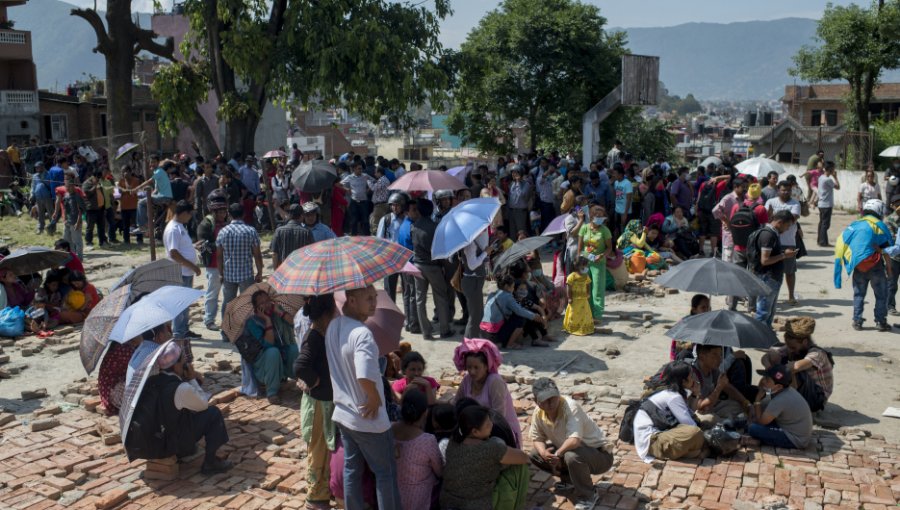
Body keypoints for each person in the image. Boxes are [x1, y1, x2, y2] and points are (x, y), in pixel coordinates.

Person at [325, 285, 401, 509]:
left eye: (374, 297)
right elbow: (364, 373)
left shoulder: (334, 326)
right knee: (385, 473)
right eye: (368, 298)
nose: (374, 303)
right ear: (351, 300)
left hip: (345, 414)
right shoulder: (362, 333)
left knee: (352, 470)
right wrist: (375, 397)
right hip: (369, 418)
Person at [140, 342, 233, 474]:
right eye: (184, 362)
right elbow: (203, 404)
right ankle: (210, 463)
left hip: (154, 441)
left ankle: (183, 450)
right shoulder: (180, 388)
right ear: (177, 365)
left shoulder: (152, 381)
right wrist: (192, 378)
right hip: (171, 443)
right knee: (213, 414)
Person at [529, 378, 613, 509]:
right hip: (570, 450)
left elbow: (574, 440)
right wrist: (544, 453)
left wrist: (557, 454)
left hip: (600, 456)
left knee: (571, 456)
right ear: (537, 402)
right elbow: (537, 437)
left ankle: (589, 495)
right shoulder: (538, 412)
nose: (551, 403)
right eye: (546, 399)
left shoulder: (570, 406)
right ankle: (569, 480)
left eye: (553, 397)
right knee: (535, 454)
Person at [293, 294, 338, 510]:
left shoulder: (323, 333)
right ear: (328, 313)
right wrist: (315, 381)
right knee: (318, 449)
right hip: (319, 404)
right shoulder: (313, 337)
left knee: (326, 447)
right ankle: (315, 497)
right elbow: (300, 366)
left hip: (326, 402)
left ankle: (324, 489)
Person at [440, 405, 530, 510]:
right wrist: (499, 443)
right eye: (487, 424)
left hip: (447, 502)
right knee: (520, 468)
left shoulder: (454, 440)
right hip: (476, 505)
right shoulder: (492, 447)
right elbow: (523, 457)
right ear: (475, 431)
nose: (492, 425)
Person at [452, 338, 522, 447]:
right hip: (475, 431)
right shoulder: (467, 380)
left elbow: (498, 417)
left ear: (486, 366)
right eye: (469, 367)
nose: (472, 371)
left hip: (497, 432)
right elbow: (456, 403)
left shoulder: (495, 382)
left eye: (476, 367)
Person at [633, 361, 706, 463]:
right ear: (683, 381)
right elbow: (690, 425)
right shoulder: (673, 396)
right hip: (652, 442)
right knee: (696, 433)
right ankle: (693, 451)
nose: (693, 379)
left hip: (661, 434)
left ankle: (692, 452)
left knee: (705, 423)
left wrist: (695, 394)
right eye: (691, 376)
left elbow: (689, 413)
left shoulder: (672, 392)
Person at [837, 199, 893, 331]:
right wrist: (889, 270)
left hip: (858, 266)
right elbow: (886, 251)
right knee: (881, 295)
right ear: (879, 211)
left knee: (858, 294)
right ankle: (880, 322)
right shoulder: (879, 226)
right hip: (876, 266)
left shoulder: (856, 224)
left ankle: (857, 321)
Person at [761, 316, 833, 410]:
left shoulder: (817, 353)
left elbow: (796, 366)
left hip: (816, 398)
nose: (790, 350)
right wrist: (769, 367)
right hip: (803, 392)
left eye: (793, 347)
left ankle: (784, 402)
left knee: (793, 371)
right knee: (774, 358)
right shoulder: (792, 348)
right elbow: (766, 357)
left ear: (805, 342)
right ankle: (775, 397)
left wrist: (776, 373)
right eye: (788, 347)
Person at [242, 291, 299, 404]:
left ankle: (301, 379)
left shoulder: (276, 314)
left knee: (293, 349)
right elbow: (268, 344)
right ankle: (272, 392)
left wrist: (279, 312)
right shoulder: (252, 322)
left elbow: (294, 323)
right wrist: (267, 320)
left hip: (280, 355)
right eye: (262, 303)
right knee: (273, 351)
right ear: (256, 307)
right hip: (262, 361)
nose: (266, 304)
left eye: (268, 301)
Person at [410, 198, 453, 340]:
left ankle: (426, 332)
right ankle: (444, 329)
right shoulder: (435, 227)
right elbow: (439, 249)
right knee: (441, 296)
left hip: (418, 265)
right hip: (433, 266)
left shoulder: (414, 226)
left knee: (420, 298)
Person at [391, 390, 443, 510]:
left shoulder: (389, 429)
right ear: (425, 412)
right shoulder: (427, 440)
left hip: (393, 491)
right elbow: (439, 471)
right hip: (419, 496)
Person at [216, 203, 264, 329]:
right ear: (243, 214)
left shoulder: (223, 232)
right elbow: (257, 254)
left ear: (229, 215)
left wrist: (220, 273)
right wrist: (260, 272)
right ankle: (247, 332)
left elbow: (219, 255)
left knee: (228, 304)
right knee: (247, 303)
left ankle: (227, 332)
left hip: (228, 275)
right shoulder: (250, 231)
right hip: (246, 274)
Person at [748, 365, 813, 450]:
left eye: (767, 380)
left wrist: (757, 399)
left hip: (796, 439)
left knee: (753, 429)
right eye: (764, 377)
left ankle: (760, 439)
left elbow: (761, 422)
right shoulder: (786, 390)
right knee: (757, 416)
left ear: (778, 386)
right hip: (793, 430)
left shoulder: (780, 400)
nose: (763, 381)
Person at [164, 200, 202, 340]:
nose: (190, 217)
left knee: (184, 302)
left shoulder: (180, 226)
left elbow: (180, 247)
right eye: (190, 214)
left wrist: (193, 246)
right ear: (184, 213)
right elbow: (174, 252)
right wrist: (192, 266)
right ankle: (178, 333)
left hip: (185, 272)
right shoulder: (173, 229)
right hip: (180, 272)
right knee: (179, 303)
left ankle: (184, 330)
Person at [751, 210, 797, 326]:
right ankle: (761, 339)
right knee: (763, 312)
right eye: (787, 226)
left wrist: (783, 253)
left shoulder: (773, 233)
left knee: (770, 312)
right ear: (780, 222)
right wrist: (784, 255)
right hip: (767, 278)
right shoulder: (768, 235)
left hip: (772, 278)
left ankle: (767, 336)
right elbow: (765, 260)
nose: (787, 229)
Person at [690, 345, 751, 428]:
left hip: (711, 406)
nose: (720, 359)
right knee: (710, 419)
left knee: (737, 405)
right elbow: (700, 406)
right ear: (702, 356)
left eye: (720, 355)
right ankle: (728, 424)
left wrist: (745, 402)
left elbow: (728, 388)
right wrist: (719, 388)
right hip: (697, 411)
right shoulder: (693, 375)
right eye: (714, 355)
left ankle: (728, 422)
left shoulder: (713, 369)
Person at [480, 274, 545, 350]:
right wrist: (534, 316)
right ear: (507, 286)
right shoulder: (507, 296)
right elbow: (520, 311)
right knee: (521, 319)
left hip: (483, 332)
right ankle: (509, 344)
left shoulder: (492, 294)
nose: (513, 289)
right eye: (513, 286)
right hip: (494, 334)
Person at [765, 181, 802, 306]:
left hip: (788, 242)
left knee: (790, 271)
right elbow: (766, 218)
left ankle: (791, 296)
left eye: (788, 190)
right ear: (778, 190)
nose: (786, 192)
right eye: (783, 190)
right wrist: (773, 218)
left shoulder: (795, 203)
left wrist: (774, 217)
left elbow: (792, 219)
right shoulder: (771, 202)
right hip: (772, 241)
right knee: (770, 271)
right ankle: (770, 296)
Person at [577, 203, 613, 324]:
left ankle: (597, 314)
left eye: (602, 216)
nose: (599, 218)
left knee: (597, 289)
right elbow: (580, 247)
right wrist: (578, 260)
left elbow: (609, 248)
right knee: (586, 288)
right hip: (585, 262)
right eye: (597, 215)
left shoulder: (605, 230)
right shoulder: (584, 228)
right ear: (591, 216)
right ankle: (588, 312)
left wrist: (602, 255)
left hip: (599, 263)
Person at [196, 194, 228, 331]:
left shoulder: (227, 222)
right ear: (213, 211)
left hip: (228, 263)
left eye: (224, 211)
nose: (223, 214)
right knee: (212, 293)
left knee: (228, 293)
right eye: (220, 212)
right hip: (213, 264)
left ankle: (227, 320)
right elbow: (202, 245)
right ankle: (209, 320)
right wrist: (219, 244)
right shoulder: (206, 224)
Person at [97, 339, 138, 415]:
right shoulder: (122, 349)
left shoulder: (122, 345)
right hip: (111, 390)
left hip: (112, 384)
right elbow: (138, 365)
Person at [270, 204, 313, 270]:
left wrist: (275, 271)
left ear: (289, 215)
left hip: (284, 270)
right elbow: (312, 253)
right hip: (301, 271)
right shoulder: (306, 232)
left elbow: (274, 254)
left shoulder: (279, 231)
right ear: (301, 216)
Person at [53, 176, 86, 260]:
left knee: (77, 241)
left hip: (75, 222)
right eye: (66, 186)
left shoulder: (77, 196)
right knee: (67, 240)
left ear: (73, 186)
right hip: (67, 221)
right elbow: (65, 208)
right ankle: (72, 257)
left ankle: (79, 259)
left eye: (69, 186)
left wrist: (78, 222)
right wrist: (65, 219)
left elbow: (82, 210)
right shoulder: (66, 195)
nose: (67, 188)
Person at [341, 161, 374, 235]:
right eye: (359, 169)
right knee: (353, 221)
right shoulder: (350, 177)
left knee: (365, 220)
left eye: (361, 169)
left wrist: (369, 189)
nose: (360, 170)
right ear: (354, 169)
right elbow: (340, 184)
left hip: (364, 201)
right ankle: (353, 236)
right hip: (354, 201)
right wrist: (347, 189)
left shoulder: (365, 176)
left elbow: (373, 181)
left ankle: (367, 236)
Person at [563, 257, 593, 336]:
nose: (586, 268)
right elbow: (568, 288)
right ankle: (572, 328)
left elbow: (588, 284)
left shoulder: (586, 276)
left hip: (583, 299)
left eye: (586, 266)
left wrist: (588, 293)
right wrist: (569, 297)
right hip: (574, 299)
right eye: (584, 266)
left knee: (584, 314)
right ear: (577, 266)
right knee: (573, 314)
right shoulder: (571, 276)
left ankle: (583, 328)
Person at [883, 194, 900, 315]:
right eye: (897, 204)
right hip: (894, 258)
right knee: (892, 284)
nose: (899, 206)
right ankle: (890, 306)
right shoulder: (889, 220)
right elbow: (890, 239)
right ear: (892, 206)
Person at [817, 161, 840, 246]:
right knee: (825, 224)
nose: (834, 170)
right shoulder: (828, 179)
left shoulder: (821, 177)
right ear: (830, 169)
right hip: (826, 204)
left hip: (821, 203)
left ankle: (821, 240)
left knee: (822, 223)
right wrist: (836, 177)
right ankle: (823, 242)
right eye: (833, 168)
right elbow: (838, 187)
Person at [507, 165, 532, 237]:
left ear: (520, 173)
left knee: (521, 232)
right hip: (512, 210)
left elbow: (522, 195)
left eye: (515, 172)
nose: (513, 174)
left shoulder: (526, 184)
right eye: (512, 172)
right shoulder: (512, 184)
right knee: (512, 232)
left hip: (520, 211)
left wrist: (518, 182)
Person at [30, 161, 53, 234]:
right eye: (36, 167)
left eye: (39, 167)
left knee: (50, 212)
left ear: (43, 167)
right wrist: (31, 194)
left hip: (47, 196)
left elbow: (52, 185)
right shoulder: (35, 176)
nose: (37, 169)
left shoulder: (49, 174)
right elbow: (33, 186)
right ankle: (40, 228)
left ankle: (52, 227)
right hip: (38, 196)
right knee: (40, 213)